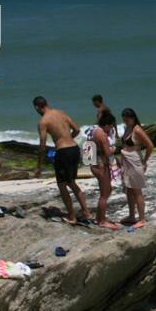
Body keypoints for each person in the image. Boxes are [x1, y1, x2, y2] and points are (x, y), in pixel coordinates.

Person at [34, 96, 90, 225]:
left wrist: (39, 166)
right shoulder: (61, 113)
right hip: (74, 149)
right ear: (47, 103)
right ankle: (86, 212)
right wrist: (68, 139)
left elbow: (42, 146)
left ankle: (72, 216)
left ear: (37, 107)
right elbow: (77, 129)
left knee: (62, 185)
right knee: (72, 182)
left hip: (63, 152)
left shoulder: (43, 122)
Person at [85, 109, 120, 228]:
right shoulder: (102, 135)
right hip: (101, 167)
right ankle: (102, 221)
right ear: (107, 125)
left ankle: (98, 217)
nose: (111, 130)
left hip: (94, 165)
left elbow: (87, 151)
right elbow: (108, 153)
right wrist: (114, 148)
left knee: (107, 190)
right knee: (104, 194)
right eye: (111, 127)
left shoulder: (92, 130)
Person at [118, 108, 153, 227]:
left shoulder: (137, 130)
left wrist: (144, 161)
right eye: (124, 119)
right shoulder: (127, 128)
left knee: (137, 191)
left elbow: (150, 146)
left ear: (133, 117)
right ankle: (132, 215)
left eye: (128, 119)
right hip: (126, 162)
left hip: (135, 161)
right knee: (129, 190)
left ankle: (142, 219)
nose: (126, 121)